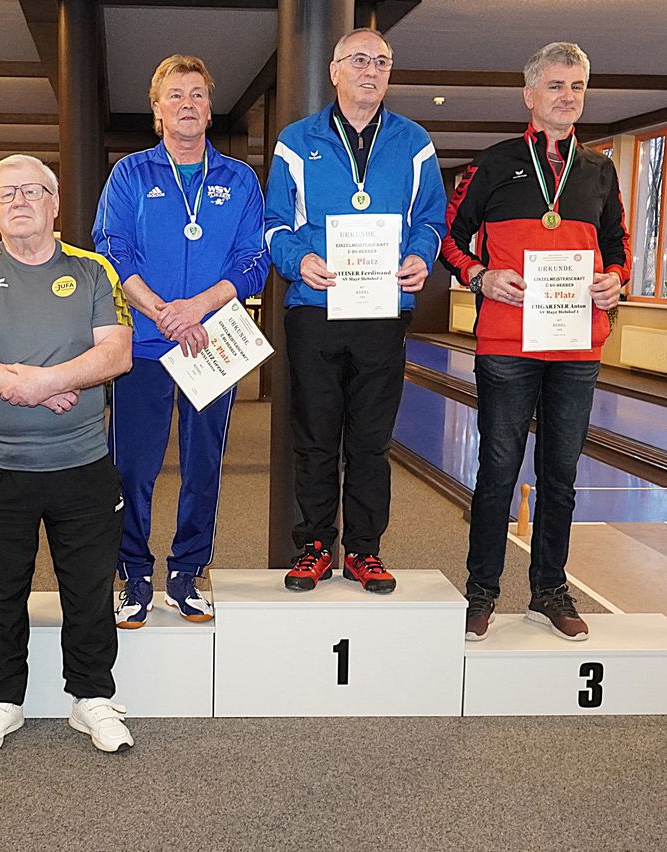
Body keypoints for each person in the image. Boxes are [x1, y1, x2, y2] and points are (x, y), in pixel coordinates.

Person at [0, 154, 134, 754]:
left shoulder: (94, 270)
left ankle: (93, 697)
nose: (17, 201)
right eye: (4, 193)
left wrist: (37, 384)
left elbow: (115, 353)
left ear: (54, 201)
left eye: (30, 191)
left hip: (82, 466)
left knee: (90, 586)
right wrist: (19, 381)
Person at [441, 43, 629, 641]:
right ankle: (482, 591)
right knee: (497, 470)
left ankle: (549, 589)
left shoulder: (600, 168)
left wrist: (614, 282)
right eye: (555, 85)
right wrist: (479, 275)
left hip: (577, 348)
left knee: (561, 474)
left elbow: (620, 249)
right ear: (530, 95)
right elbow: (448, 238)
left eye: (576, 86)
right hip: (507, 344)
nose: (567, 95)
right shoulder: (492, 164)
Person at [264, 28, 446, 593]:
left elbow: (432, 221)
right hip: (315, 308)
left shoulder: (413, 141)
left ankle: (365, 550)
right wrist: (301, 260)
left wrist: (420, 257)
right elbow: (272, 225)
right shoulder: (297, 141)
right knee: (316, 436)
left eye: (383, 62)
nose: (371, 70)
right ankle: (316, 544)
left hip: (383, 309)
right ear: (335, 71)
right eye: (360, 60)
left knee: (370, 439)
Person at [93, 55, 268, 628]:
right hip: (144, 341)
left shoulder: (240, 179)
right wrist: (165, 312)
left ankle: (189, 570)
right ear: (157, 109)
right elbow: (113, 251)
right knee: (133, 466)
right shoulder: (131, 175)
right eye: (175, 95)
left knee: (204, 464)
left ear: (209, 107)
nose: (187, 104)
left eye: (197, 94)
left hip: (212, 341)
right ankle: (134, 574)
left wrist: (196, 309)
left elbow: (252, 261)